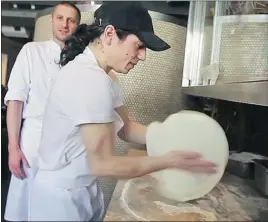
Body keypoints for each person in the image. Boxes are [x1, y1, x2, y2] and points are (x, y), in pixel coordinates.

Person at [29, 2, 217, 221]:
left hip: (81, 190)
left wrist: (174, 138)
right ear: (110, 34)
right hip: (60, 202)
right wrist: (170, 161)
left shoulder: (106, 77)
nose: (143, 56)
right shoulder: (89, 79)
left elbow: (127, 128)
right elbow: (104, 164)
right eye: (139, 45)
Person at [4, 2, 81, 221]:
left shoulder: (82, 60)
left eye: (71, 20)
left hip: (68, 144)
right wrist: (13, 148)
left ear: (77, 25)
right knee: (23, 206)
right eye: (59, 18)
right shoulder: (31, 51)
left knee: (56, 210)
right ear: (51, 20)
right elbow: (16, 101)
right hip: (33, 141)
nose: (64, 25)